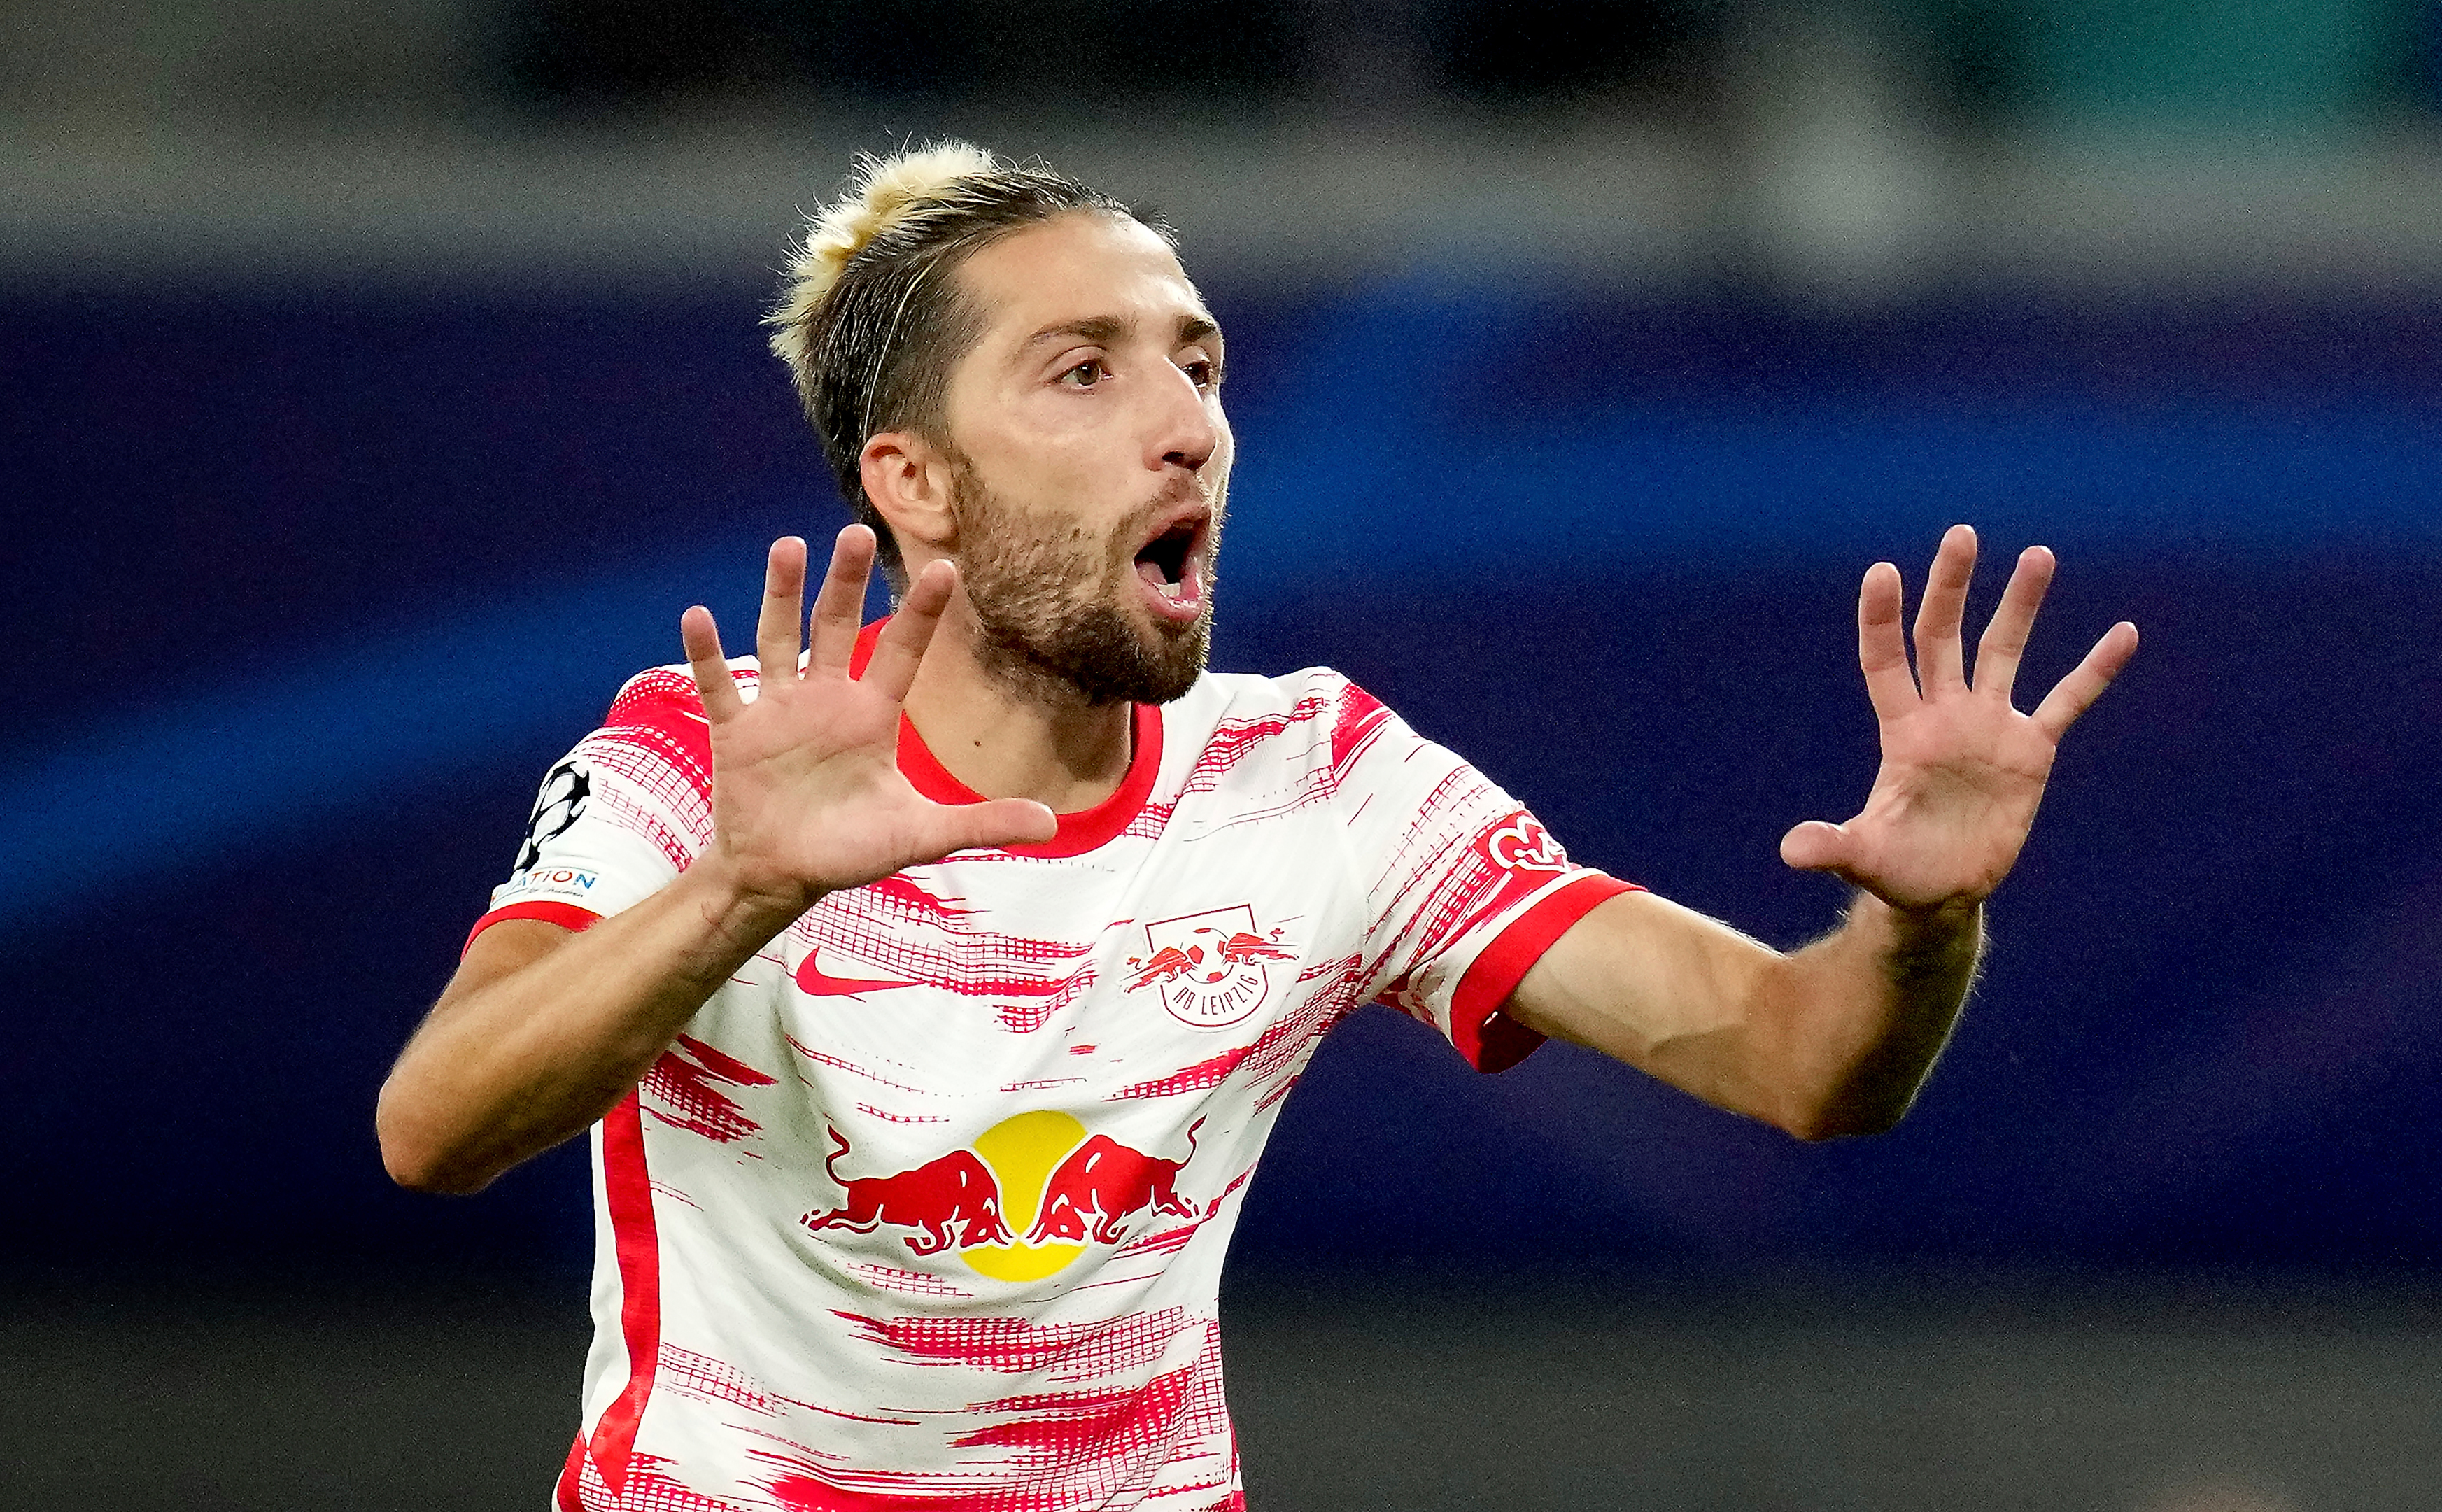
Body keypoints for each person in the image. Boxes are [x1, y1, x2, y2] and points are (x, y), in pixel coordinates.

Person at [374, 142, 2137, 1511]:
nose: (1187, 425)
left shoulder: (1317, 777)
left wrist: (1922, 924)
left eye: (1196, 363)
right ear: (915, 480)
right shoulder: (708, 763)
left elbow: (1803, 1060)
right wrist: (743, 890)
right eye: (1083, 372)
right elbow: (435, 1123)